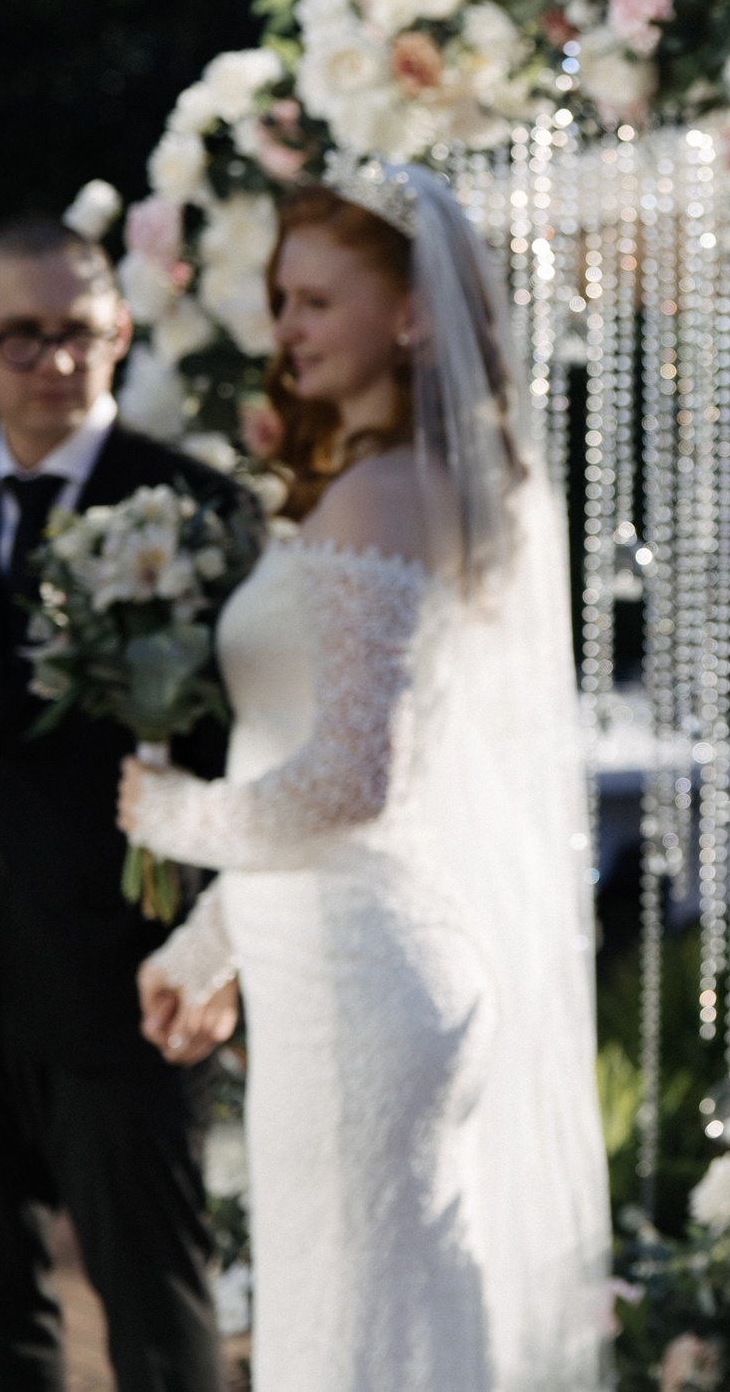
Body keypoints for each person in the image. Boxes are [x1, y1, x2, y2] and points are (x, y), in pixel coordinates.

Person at [116, 159, 611, 1392]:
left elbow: (349, 785)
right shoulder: (398, 487)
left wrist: (171, 815)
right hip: (339, 967)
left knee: (358, 1345)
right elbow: (351, 774)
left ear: (414, 315)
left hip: (363, 995)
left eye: (317, 301)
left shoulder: (382, 496)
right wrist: (211, 943)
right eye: (282, 300)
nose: (286, 330)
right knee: (360, 1331)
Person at [0, 216, 241, 1391]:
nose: (54, 362)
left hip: (130, 982)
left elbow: (238, 759)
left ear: (118, 328)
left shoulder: (201, 511)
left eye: (77, 332)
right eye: (21, 337)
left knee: (162, 1319)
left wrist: (218, 955)